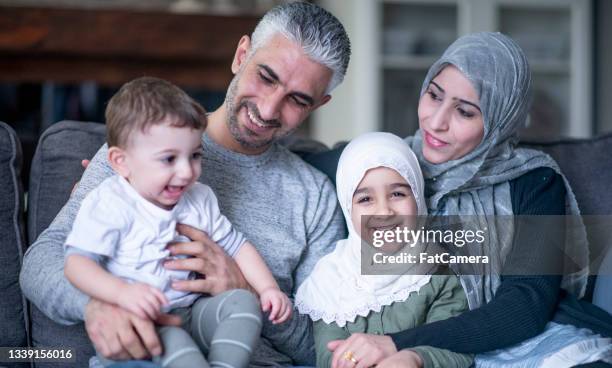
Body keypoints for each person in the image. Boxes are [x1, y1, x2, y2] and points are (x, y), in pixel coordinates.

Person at [19, 2, 351, 367]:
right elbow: (41, 262)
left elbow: (323, 348)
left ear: (318, 105)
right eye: (266, 77)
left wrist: (246, 290)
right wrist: (98, 304)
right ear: (241, 55)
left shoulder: (316, 198)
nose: (269, 109)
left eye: (297, 100)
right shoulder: (141, 149)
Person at [304, 32, 611, 367]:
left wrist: (397, 344)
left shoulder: (535, 182)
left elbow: (525, 305)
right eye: (434, 96)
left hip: (523, 339)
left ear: (499, 119)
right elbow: (295, 159)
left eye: (464, 112)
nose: (436, 123)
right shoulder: (389, 163)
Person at [64, 77, 294, 367]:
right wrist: (120, 293)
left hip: (192, 313)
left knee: (244, 304)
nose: (187, 172)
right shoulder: (110, 202)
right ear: (121, 162)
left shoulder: (198, 198)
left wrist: (268, 289)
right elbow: (76, 263)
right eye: (169, 159)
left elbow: (237, 246)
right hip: (144, 323)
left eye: (195, 155)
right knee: (176, 344)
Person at [294, 132, 473, 368]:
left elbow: (456, 349)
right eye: (365, 199)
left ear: (418, 198)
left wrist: (413, 359)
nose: (384, 211)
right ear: (348, 208)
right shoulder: (332, 278)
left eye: (397, 194)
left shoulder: (440, 273)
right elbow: (329, 355)